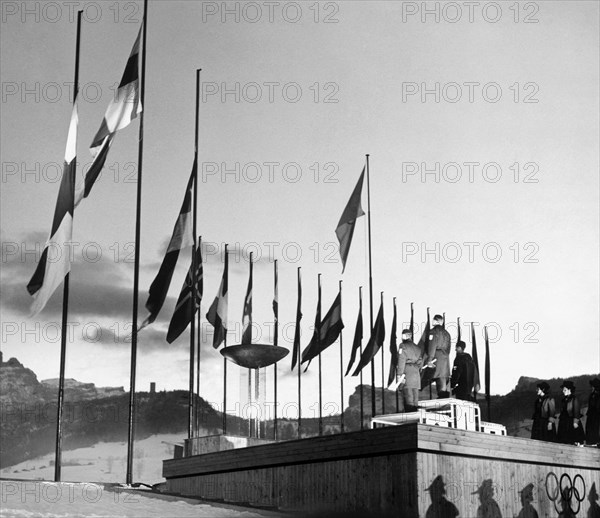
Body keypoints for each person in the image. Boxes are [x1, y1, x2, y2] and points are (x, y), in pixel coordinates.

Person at [425, 314, 452, 398]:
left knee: (439, 383)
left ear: (437, 321)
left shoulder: (433, 332)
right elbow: (448, 349)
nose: (432, 321)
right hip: (445, 360)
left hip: (436, 359)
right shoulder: (447, 333)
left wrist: (429, 359)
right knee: (444, 382)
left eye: (433, 319)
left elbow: (432, 346)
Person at [396, 329, 423, 413]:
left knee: (408, 400)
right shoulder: (417, 347)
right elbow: (420, 362)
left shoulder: (403, 346)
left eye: (403, 335)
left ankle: (409, 422)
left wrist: (399, 375)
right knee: (415, 400)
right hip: (416, 374)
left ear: (406, 336)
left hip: (406, 373)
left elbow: (401, 360)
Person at [556, 380, 585, 445]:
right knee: (563, 440)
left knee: (572, 439)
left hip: (571, 421)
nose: (563, 391)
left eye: (565, 390)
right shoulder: (563, 400)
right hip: (563, 422)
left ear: (569, 390)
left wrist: (575, 422)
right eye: (563, 390)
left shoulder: (574, 399)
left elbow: (576, 411)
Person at [585, 378, 600, 446]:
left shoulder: (597, 395)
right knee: (590, 428)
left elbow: (596, 406)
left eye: (592, 386)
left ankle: (593, 442)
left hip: (595, 415)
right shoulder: (592, 395)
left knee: (594, 429)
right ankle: (590, 442)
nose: (591, 387)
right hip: (591, 415)